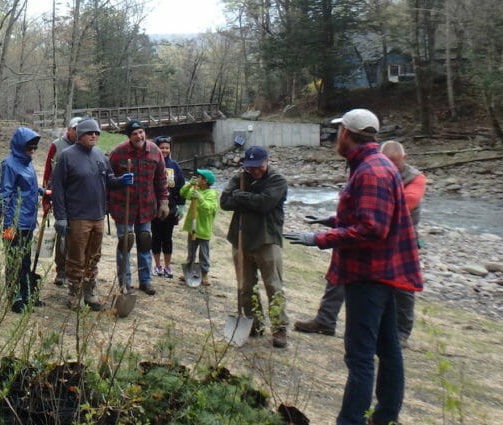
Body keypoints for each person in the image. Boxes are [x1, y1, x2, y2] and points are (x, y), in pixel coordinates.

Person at [285, 109, 423, 425]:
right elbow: (369, 215)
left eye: (338, 131)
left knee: (360, 356)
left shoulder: (372, 171)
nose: (335, 137)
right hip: (382, 272)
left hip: (368, 275)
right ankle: (383, 424)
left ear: (347, 133)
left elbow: (372, 228)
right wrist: (332, 219)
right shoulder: (374, 167)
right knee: (388, 349)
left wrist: (321, 237)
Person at [294, 140, 426, 343]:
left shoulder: (416, 178)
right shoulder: (372, 171)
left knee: (403, 287)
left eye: (395, 163)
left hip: (400, 240)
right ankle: (325, 320)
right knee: (338, 274)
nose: (391, 166)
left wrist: (371, 206)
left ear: (405, 159)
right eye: (387, 161)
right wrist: (335, 220)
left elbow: (405, 204)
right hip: (369, 233)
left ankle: (401, 333)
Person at [51, 118, 132, 310]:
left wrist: (121, 180)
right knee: (76, 257)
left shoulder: (100, 156)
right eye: (89, 133)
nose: (94, 136)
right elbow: (58, 188)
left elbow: (108, 179)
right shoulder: (66, 156)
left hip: (98, 215)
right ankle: (75, 294)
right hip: (77, 215)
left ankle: (89, 292)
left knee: (94, 256)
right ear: (80, 135)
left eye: (96, 133)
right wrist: (60, 216)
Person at [219, 145, 289, 348]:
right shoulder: (239, 177)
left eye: (258, 166)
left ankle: (279, 328)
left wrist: (241, 197)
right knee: (245, 286)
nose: (254, 171)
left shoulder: (277, 180)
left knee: (273, 286)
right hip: (240, 239)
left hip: (267, 240)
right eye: (251, 167)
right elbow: (224, 201)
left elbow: (265, 203)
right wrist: (246, 198)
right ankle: (253, 323)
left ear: (266, 162)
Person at [107, 121, 168, 295]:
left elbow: (161, 179)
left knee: (145, 241)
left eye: (141, 132)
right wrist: (106, 203)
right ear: (129, 136)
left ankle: (145, 280)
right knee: (125, 244)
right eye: (135, 133)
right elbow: (107, 179)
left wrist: (163, 201)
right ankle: (124, 283)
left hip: (146, 206)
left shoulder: (155, 151)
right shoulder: (118, 153)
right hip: (123, 206)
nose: (139, 136)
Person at [0, 126, 43, 313]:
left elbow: (27, 188)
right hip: (13, 223)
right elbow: (4, 194)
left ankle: (26, 293)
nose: (32, 151)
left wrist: (43, 192)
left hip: (28, 221)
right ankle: (15, 296)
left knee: (24, 259)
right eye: (29, 147)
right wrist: (8, 224)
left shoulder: (28, 163)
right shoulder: (8, 164)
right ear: (19, 146)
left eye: (34, 148)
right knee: (13, 259)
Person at [42, 117, 80, 286]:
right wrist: (47, 196)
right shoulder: (57, 145)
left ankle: (76, 270)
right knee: (63, 234)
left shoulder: (85, 145)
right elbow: (48, 171)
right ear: (69, 129)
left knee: (78, 235)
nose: (78, 132)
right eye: (75, 129)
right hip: (59, 195)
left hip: (78, 197)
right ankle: (61, 271)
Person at [150, 136, 186, 278]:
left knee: (167, 237)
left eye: (167, 147)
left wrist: (182, 204)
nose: (164, 150)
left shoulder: (174, 165)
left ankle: (168, 266)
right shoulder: (152, 163)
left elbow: (180, 186)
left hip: (170, 208)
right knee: (156, 236)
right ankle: (157, 265)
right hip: (154, 207)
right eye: (161, 147)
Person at [179, 169, 218, 286]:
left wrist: (200, 198)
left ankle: (205, 273)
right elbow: (183, 193)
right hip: (193, 227)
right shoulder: (196, 188)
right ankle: (189, 270)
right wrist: (190, 185)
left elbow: (208, 209)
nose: (197, 178)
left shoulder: (212, 194)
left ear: (205, 181)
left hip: (203, 229)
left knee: (204, 254)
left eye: (199, 177)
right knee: (191, 252)